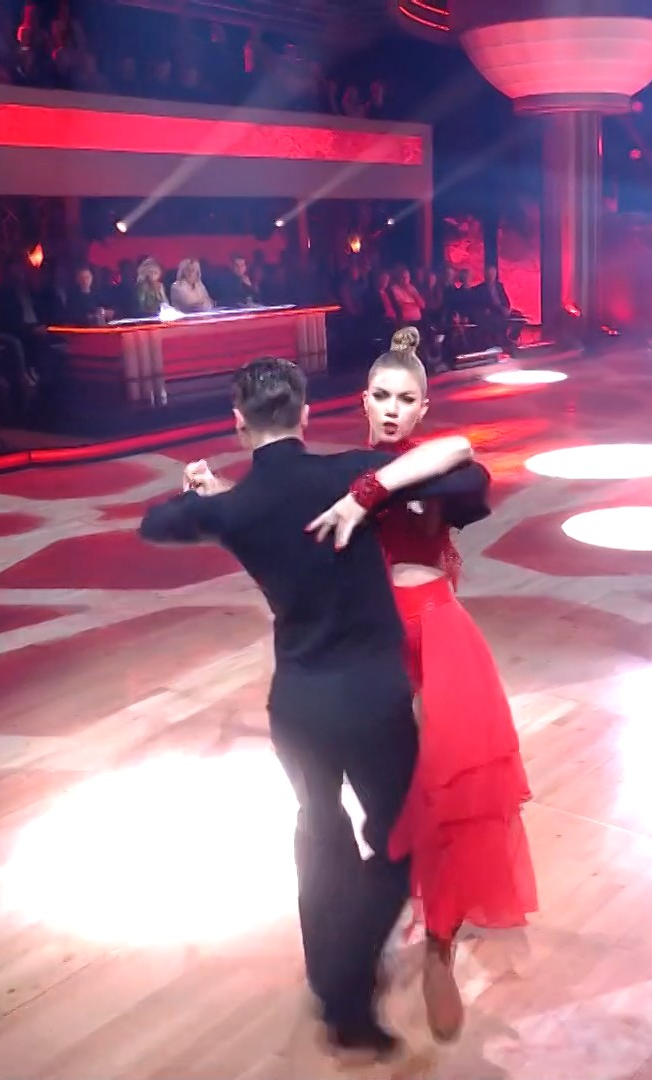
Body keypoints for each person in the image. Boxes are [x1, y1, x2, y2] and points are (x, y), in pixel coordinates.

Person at [136, 356, 490, 1062]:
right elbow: (464, 466)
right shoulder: (345, 473)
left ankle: (333, 983)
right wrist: (368, 493)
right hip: (371, 702)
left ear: (238, 424)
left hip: (296, 705)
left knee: (318, 832)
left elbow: (156, 524)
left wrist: (207, 494)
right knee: (399, 844)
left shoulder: (234, 508)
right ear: (305, 415)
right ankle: (344, 978)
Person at [360, 335, 535, 1042]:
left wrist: (374, 489)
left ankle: (439, 948)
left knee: (451, 798)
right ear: (363, 401)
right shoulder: (345, 469)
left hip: (438, 639)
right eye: (381, 396)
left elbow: (466, 460)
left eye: (406, 399)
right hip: (375, 644)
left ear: (422, 408)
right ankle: (385, 920)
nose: (392, 409)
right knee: (389, 796)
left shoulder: (437, 473)